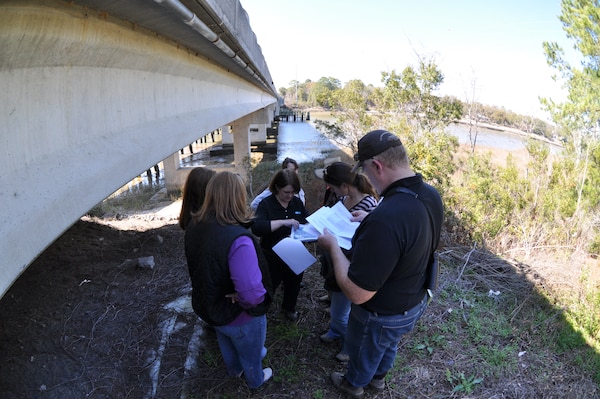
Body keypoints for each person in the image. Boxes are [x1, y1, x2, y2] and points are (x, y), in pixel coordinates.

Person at [317, 130, 443, 397]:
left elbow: (357, 293)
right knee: (387, 343)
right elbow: (411, 234)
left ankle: (354, 384)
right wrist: (371, 219)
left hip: (380, 312)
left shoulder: (386, 218)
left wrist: (333, 249)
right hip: (413, 302)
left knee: (365, 348)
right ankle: (379, 380)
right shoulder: (430, 195)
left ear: (376, 166)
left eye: (364, 171)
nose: (365, 179)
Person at [184, 171, 274, 389]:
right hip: (239, 316)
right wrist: (243, 298)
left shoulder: (194, 226)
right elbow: (253, 296)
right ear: (239, 198)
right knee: (251, 354)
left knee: (225, 340)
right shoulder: (238, 239)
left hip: (212, 308)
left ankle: (234, 370)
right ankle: (255, 380)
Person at [317, 162, 378, 363]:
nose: (331, 191)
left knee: (341, 314)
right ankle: (335, 331)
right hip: (335, 258)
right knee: (337, 303)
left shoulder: (369, 205)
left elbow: (374, 238)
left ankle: (349, 347)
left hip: (350, 263)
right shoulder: (343, 198)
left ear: (345, 185)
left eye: (333, 186)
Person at [251, 169, 309, 322]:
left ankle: (289, 308)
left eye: (293, 192)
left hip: (294, 252)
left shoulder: (296, 202)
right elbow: (257, 228)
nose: (290, 196)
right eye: (286, 192)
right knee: (269, 284)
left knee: (294, 282)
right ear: (277, 187)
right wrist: (283, 222)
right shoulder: (266, 204)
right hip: (272, 254)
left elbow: (306, 221)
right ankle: (262, 310)